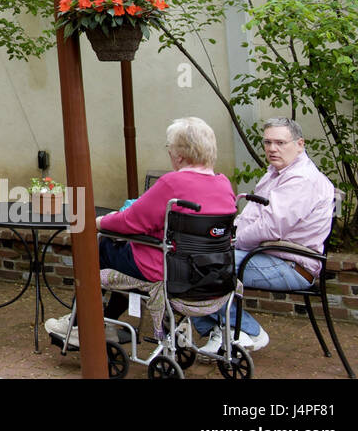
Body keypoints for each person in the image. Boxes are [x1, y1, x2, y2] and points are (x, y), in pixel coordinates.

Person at [46, 116, 235, 345]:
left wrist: (98, 222)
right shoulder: (224, 185)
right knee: (123, 253)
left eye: (170, 148)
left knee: (103, 245)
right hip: (208, 272)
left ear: (180, 155)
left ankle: (80, 326)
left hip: (164, 269)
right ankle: (107, 320)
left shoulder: (172, 184)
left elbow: (129, 221)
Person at [194, 118, 335, 353]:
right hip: (268, 256)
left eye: (280, 142)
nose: (272, 148)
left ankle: (247, 331)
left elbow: (269, 229)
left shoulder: (301, 180)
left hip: (291, 266)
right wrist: (226, 236)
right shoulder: (276, 173)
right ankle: (221, 329)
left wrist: (228, 241)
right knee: (195, 257)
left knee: (200, 265)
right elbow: (250, 217)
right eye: (268, 142)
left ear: (300, 144)